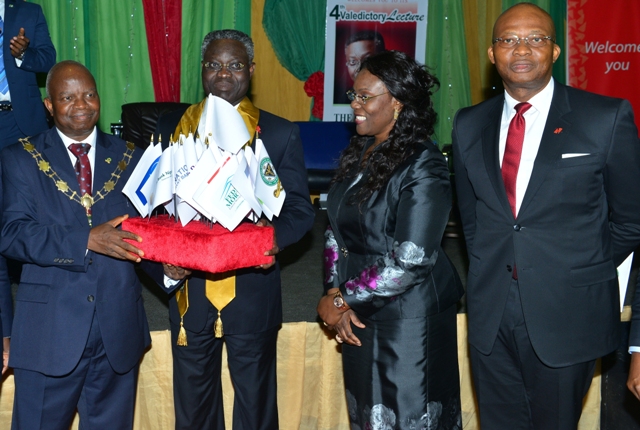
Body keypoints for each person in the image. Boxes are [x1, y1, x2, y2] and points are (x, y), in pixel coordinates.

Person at [452, 3, 640, 428]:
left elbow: (631, 219)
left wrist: (578, 266)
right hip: (491, 313)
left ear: (554, 51)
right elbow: (473, 220)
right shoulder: (468, 124)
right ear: (491, 53)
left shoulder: (604, 117)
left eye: (536, 38)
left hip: (566, 310)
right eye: (509, 40)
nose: (522, 49)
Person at [154, 29, 314, 429]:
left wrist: (271, 239)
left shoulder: (277, 132)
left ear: (252, 71)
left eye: (235, 65)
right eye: (214, 64)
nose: (223, 74)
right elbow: (148, 207)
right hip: (189, 291)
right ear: (203, 69)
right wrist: (162, 262)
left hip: (251, 292)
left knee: (256, 407)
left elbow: (300, 210)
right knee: (192, 410)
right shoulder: (171, 127)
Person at [317, 50, 464, 429]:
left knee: (406, 418)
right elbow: (336, 229)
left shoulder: (423, 163)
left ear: (397, 102)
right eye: (353, 94)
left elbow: (412, 258)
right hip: (360, 312)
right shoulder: (362, 150)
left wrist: (342, 297)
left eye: (365, 96)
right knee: (369, 416)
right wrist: (337, 293)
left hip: (408, 320)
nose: (355, 104)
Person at [0, 60, 150, 429]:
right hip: (48, 335)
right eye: (67, 97)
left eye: (89, 94)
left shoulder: (133, 157)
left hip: (118, 332)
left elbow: (149, 231)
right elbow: (12, 233)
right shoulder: (19, 159)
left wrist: (171, 270)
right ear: (49, 105)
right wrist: (85, 239)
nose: (81, 105)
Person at [1, 0, 56, 376]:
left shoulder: (28, 11)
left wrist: (23, 55)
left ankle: (49, 311)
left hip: (22, 123)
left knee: (34, 214)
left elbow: (48, 60)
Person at [334, 30, 385, 105]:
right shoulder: (343, 98)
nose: (359, 68)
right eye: (352, 62)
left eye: (367, 59)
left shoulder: (394, 96)